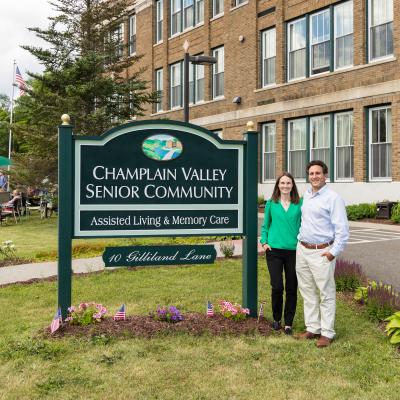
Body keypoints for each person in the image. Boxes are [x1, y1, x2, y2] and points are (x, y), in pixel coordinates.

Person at [296, 160, 349, 348]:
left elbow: (342, 230)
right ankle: (313, 328)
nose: (314, 176)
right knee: (307, 291)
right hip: (302, 250)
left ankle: (327, 333)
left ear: (325, 175)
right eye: (311, 173)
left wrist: (332, 253)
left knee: (326, 293)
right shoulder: (307, 195)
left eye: (318, 173)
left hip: (321, 252)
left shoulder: (333, 198)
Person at [260, 172, 302, 335]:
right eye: (282, 183)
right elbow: (266, 225)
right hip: (274, 251)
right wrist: (264, 242)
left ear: (293, 186)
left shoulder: (300, 204)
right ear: (278, 185)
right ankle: (277, 319)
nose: (285, 186)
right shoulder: (271, 203)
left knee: (292, 287)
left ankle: (288, 323)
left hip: (294, 251)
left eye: (288, 183)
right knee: (277, 286)